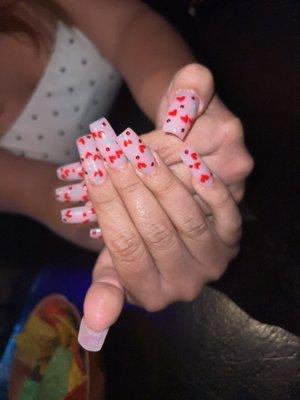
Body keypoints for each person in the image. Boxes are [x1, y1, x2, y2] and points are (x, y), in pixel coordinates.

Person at [0, 0, 253, 349]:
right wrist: (130, 231)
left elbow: (128, 27)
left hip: (179, 89)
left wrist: (177, 107)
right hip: (113, 191)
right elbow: (49, 194)